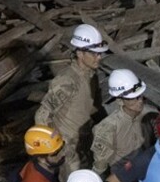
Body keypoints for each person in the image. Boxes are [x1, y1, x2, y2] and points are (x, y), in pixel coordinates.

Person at [35, 23, 108, 171]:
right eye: (94, 53)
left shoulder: (91, 75)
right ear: (80, 53)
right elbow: (42, 115)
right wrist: (52, 149)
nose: (99, 57)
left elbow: (91, 106)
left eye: (100, 53)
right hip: (68, 149)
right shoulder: (67, 80)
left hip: (86, 141)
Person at [91, 68, 156, 174]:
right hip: (122, 177)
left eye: (140, 95)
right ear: (119, 100)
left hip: (149, 171)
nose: (140, 101)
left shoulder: (151, 114)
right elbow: (100, 166)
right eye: (133, 98)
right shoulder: (107, 128)